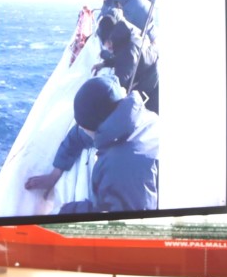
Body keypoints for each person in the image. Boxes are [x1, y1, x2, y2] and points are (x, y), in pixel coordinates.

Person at [24, 75, 159, 213]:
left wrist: (65, 211)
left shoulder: (120, 169)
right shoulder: (130, 118)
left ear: (95, 127)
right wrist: (54, 175)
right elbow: (78, 135)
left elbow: (122, 219)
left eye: (83, 126)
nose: (80, 128)